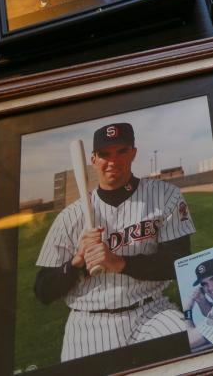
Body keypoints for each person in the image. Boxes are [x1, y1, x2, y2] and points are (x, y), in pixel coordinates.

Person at [34, 122, 195, 362]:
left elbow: (179, 264)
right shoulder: (70, 217)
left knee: (193, 353)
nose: (113, 160)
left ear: (133, 152)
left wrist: (119, 263)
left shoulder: (165, 196)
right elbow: (43, 291)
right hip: (88, 323)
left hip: (151, 312)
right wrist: (78, 261)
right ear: (93, 160)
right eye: (105, 154)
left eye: (121, 151)